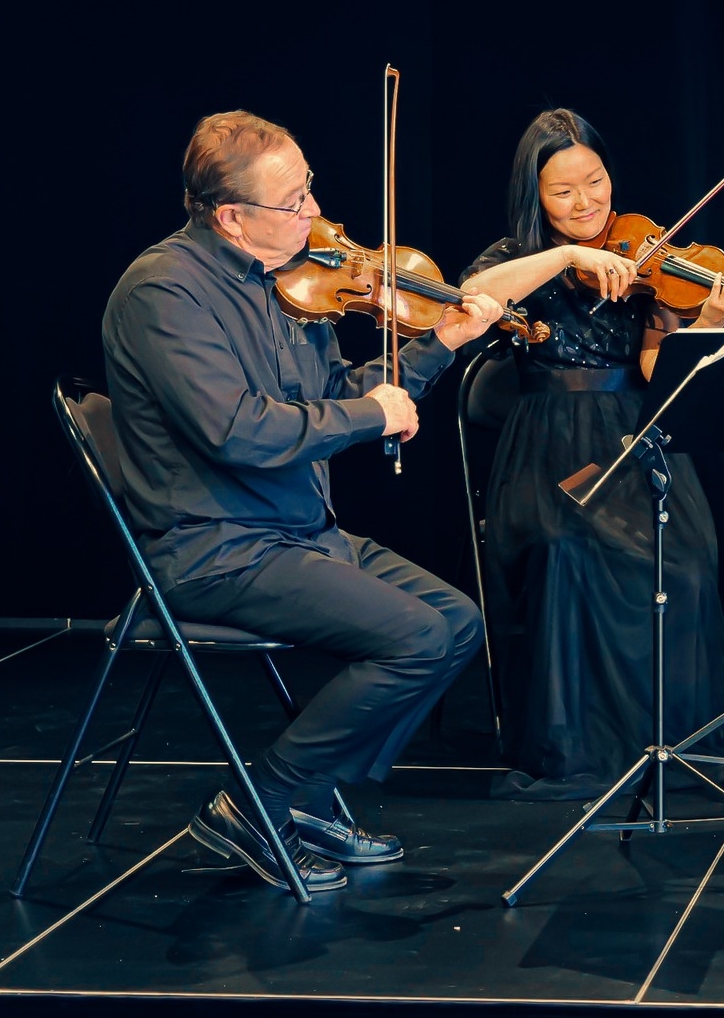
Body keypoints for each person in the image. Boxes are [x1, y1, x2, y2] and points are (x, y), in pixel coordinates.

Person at [103, 111, 502, 893]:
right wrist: (370, 415)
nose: (314, 213)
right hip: (214, 548)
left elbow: (330, 395)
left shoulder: (283, 284)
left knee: (457, 621)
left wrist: (437, 348)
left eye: (309, 189)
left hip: (295, 529)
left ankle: (304, 800)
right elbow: (236, 432)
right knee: (417, 637)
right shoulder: (163, 292)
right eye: (294, 203)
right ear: (231, 217)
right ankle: (262, 803)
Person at [460, 109, 724, 801]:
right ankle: (574, 745)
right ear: (536, 198)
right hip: (546, 441)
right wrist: (566, 257)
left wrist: (705, 323)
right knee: (565, 551)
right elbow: (468, 303)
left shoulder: (644, 257)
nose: (587, 203)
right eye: (564, 191)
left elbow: (656, 374)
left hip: (633, 434)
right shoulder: (511, 261)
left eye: (595, 181)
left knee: (683, 560)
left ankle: (669, 734)